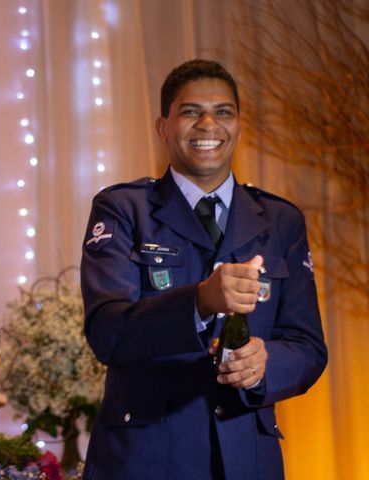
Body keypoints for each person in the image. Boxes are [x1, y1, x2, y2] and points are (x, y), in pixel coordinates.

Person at [80, 60, 327, 479]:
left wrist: (266, 364)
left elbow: (307, 345)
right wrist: (199, 301)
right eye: (191, 111)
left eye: (223, 111)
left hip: (248, 459)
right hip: (146, 459)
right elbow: (108, 332)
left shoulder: (281, 220)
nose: (208, 123)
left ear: (239, 125)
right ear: (163, 126)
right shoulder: (124, 209)